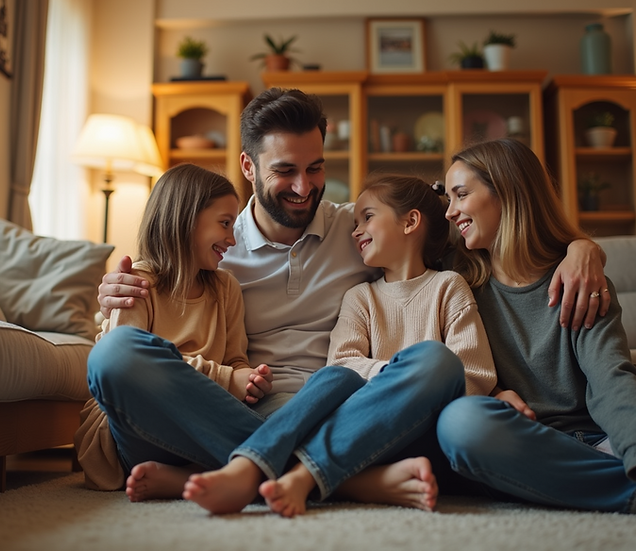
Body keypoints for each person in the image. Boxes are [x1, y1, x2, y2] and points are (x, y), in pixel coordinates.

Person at [90, 88, 607, 503]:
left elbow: (450, 248)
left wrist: (580, 247)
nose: (303, 186)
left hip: (351, 410)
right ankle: (345, 481)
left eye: (314, 168)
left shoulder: (355, 230)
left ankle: (242, 470)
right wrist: (112, 302)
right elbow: (155, 303)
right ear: (248, 167)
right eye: (284, 171)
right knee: (113, 356)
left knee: (431, 362)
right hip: (243, 413)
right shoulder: (217, 248)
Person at [436, 138, 636, 539]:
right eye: (448, 197)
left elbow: (611, 377)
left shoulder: (579, 280)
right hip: (529, 450)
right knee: (462, 424)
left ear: (508, 191)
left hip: (609, 441)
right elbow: (392, 219)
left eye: (461, 194)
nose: (451, 210)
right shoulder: (453, 283)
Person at [182, 175, 503, 517]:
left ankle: (299, 475)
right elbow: (343, 363)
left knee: (436, 360)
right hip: (361, 432)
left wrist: (409, 381)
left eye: (367, 217)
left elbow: (476, 374)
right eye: (354, 221)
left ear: (410, 221)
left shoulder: (448, 287)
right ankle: (265, 469)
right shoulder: (360, 297)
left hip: (425, 431)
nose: (355, 231)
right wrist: (393, 374)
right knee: (331, 378)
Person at [76, 163, 273, 495]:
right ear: (185, 219)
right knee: (117, 349)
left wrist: (250, 380)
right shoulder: (137, 284)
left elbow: (236, 361)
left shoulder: (226, 288)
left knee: (328, 386)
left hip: (199, 427)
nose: (232, 238)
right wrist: (227, 380)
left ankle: (191, 475)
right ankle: (287, 460)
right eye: (225, 223)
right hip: (136, 430)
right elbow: (128, 372)